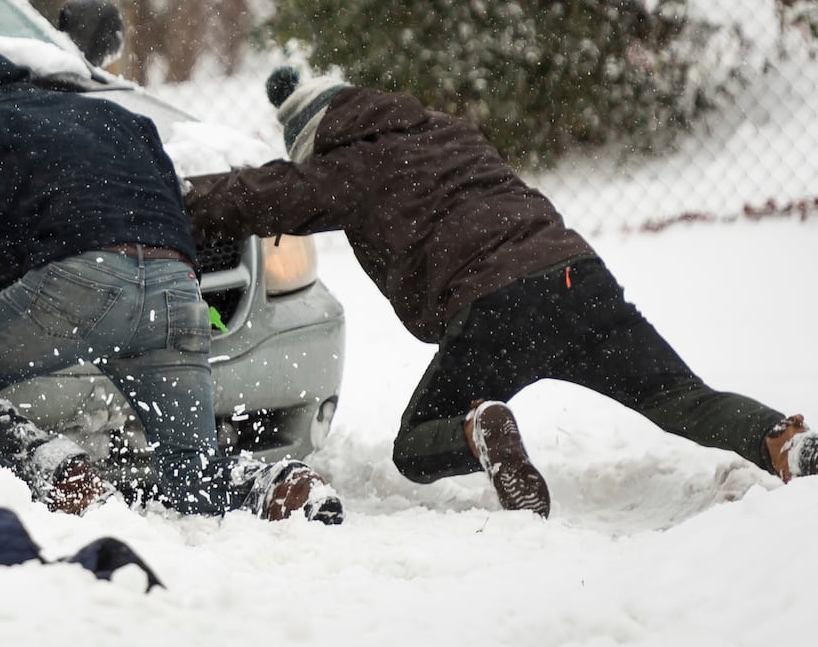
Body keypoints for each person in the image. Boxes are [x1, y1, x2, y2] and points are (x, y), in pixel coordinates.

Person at [185, 67, 818, 517]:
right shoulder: (450, 130)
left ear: (313, 139)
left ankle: (478, 429)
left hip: (495, 311)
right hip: (577, 278)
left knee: (414, 444)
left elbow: (255, 197)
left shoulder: (348, 165)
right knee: (680, 396)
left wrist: (162, 196)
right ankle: (780, 439)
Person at [0, 37, 336, 520]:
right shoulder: (114, 116)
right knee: (192, 473)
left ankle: (58, 471)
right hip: (178, 288)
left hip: (84, 284)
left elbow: (1, 257)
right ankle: (280, 486)